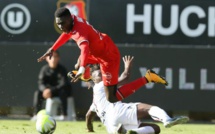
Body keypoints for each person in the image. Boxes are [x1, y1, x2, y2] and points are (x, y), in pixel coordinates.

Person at [37, 7, 168, 104]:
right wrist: (53, 48)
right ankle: (86, 76)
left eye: (62, 23)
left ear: (70, 19)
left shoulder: (79, 32)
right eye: (58, 23)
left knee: (111, 98)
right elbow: (67, 34)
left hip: (108, 57)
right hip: (98, 49)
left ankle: (148, 78)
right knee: (78, 65)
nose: (60, 26)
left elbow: (84, 49)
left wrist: (82, 69)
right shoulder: (72, 22)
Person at [85, 56, 189, 134]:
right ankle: (167, 120)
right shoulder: (101, 85)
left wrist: (90, 129)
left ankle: (134, 132)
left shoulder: (95, 101)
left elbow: (88, 116)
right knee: (149, 108)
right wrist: (127, 67)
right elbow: (125, 78)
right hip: (117, 112)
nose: (102, 76)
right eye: (99, 75)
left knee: (156, 129)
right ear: (94, 80)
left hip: (111, 128)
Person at [32, 50, 76, 121]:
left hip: (58, 92)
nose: (53, 59)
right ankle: (35, 115)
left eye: (55, 57)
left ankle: (65, 115)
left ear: (58, 58)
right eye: (51, 57)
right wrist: (45, 90)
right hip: (47, 93)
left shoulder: (62, 69)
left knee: (63, 92)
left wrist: (51, 90)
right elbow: (40, 83)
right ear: (46, 58)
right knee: (37, 93)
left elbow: (63, 83)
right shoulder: (44, 69)